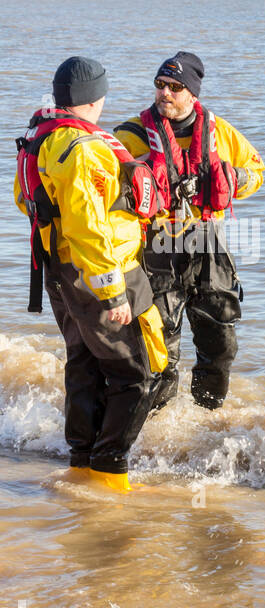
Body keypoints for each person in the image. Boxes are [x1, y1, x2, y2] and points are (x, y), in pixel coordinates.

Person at [13, 57, 169, 493]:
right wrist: (113, 292)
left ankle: (80, 463)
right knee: (134, 373)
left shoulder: (41, 139)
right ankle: (109, 473)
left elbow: (25, 202)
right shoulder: (84, 150)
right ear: (96, 99)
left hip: (57, 269)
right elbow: (88, 227)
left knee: (83, 363)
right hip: (97, 273)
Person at [113, 51, 265, 411]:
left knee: (221, 340)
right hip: (156, 247)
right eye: (160, 84)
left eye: (175, 87)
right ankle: (157, 427)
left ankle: (205, 418)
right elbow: (101, 182)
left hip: (208, 243)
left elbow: (258, 171)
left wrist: (234, 179)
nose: (164, 92)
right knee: (159, 347)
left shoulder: (221, 132)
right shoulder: (129, 136)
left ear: (193, 93)